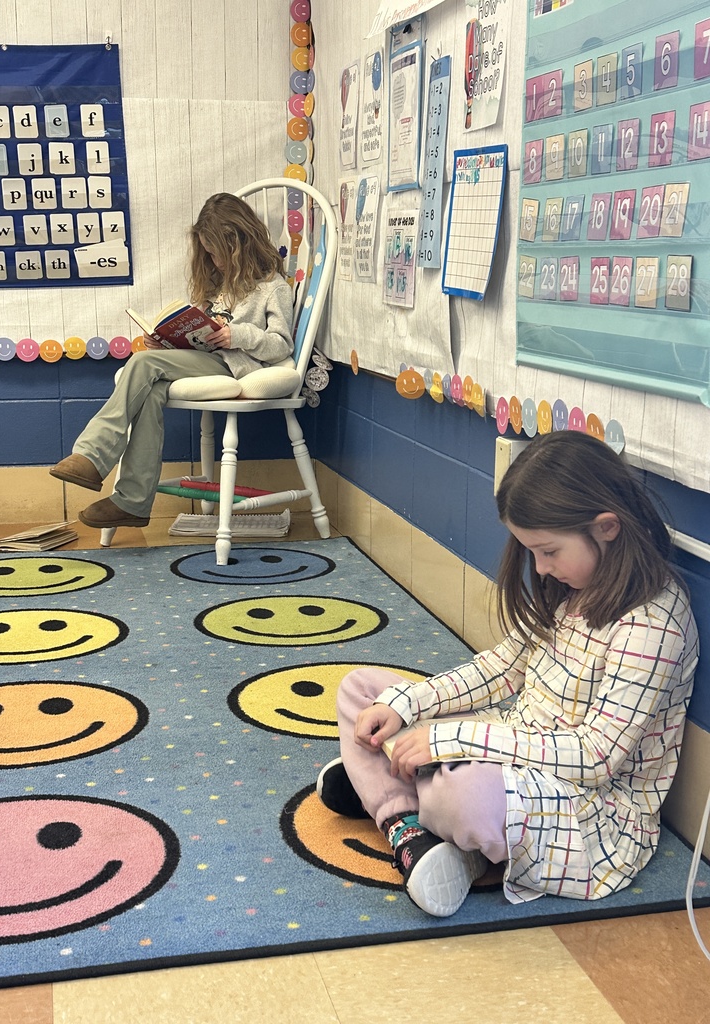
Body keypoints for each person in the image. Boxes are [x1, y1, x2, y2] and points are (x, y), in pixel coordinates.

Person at [317, 431, 699, 918]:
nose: (538, 569)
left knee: (467, 794)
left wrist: (451, 740)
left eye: (549, 551)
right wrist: (405, 707)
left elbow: (596, 757)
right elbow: (499, 669)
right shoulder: (572, 585)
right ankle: (408, 823)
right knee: (362, 691)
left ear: (607, 527)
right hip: (515, 741)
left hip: (589, 808)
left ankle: (395, 796)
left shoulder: (653, 623)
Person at [50, 193, 294, 529]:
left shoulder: (272, 287)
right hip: (207, 360)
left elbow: (281, 345)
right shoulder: (218, 286)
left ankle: (93, 455)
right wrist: (166, 342)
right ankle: (132, 502)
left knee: (140, 365)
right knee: (150, 388)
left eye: (218, 254)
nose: (215, 262)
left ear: (238, 242)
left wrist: (238, 335)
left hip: (235, 366)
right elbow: (200, 339)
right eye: (208, 254)